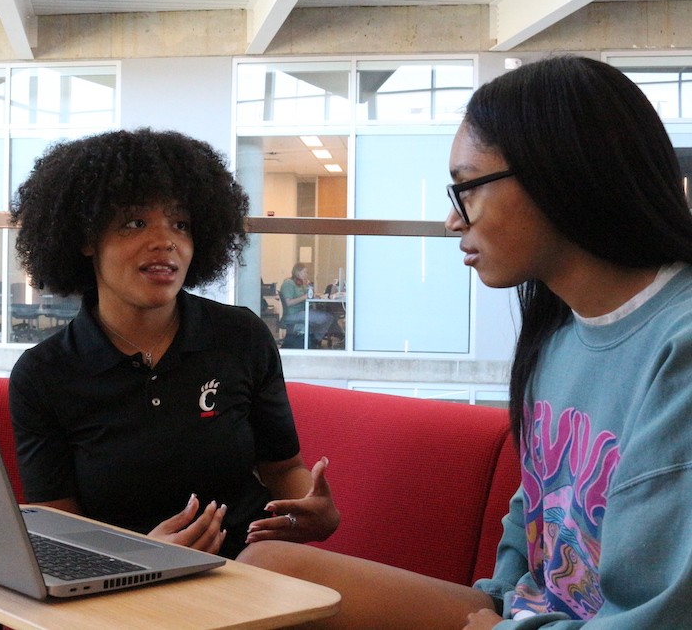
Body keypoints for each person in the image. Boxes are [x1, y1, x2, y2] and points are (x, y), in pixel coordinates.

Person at [238, 54, 692, 629]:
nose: (454, 221)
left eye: (467, 188)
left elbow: (663, 614)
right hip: (525, 614)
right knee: (268, 569)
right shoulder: (558, 333)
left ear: (561, 173)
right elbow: (536, 509)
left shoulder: (679, 348)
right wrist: (495, 602)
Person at [7, 127, 340, 560]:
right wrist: (142, 556)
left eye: (180, 223)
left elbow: (283, 469)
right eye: (135, 222)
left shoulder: (240, 337)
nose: (165, 240)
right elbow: (58, 534)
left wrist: (311, 511)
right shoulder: (44, 375)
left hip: (250, 569)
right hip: (119, 593)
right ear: (86, 239)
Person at [279, 263, 343, 348]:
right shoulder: (288, 284)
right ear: (298, 273)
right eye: (305, 272)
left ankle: (314, 339)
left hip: (301, 312)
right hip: (293, 314)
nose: (307, 275)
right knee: (327, 318)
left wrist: (309, 288)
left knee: (328, 317)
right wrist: (304, 297)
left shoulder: (300, 284)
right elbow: (288, 302)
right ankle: (315, 339)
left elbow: (309, 294)